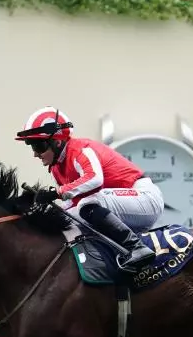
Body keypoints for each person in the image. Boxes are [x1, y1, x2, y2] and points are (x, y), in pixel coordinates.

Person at [15, 106, 163, 273]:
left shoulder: (79, 149)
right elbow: (70, 206)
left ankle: (137, 248)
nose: (35, 154)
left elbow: (95, 179)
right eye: (32, 147)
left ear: (57, 141)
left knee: (88, 202)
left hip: (144, 198)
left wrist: (56, 192)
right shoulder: (57, 168)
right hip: (119, 204)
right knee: (67, 220)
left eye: (38, 147)